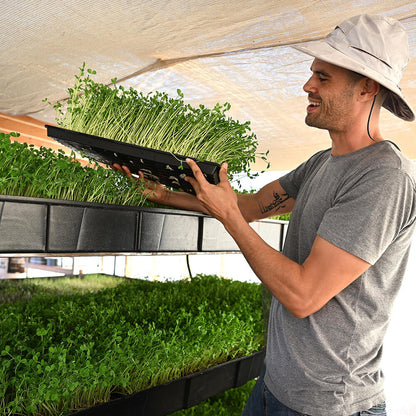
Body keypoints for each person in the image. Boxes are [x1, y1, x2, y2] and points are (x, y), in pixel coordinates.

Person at [113, 14, 416, 416]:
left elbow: (304, 295)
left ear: (367, 87)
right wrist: (164, 194)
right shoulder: (321, 164)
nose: (307, 85)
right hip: (275, 388)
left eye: (323, 78)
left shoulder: (383, 177)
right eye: (312, 75)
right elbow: (247, 207)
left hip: (330, 407)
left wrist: (230, 220)